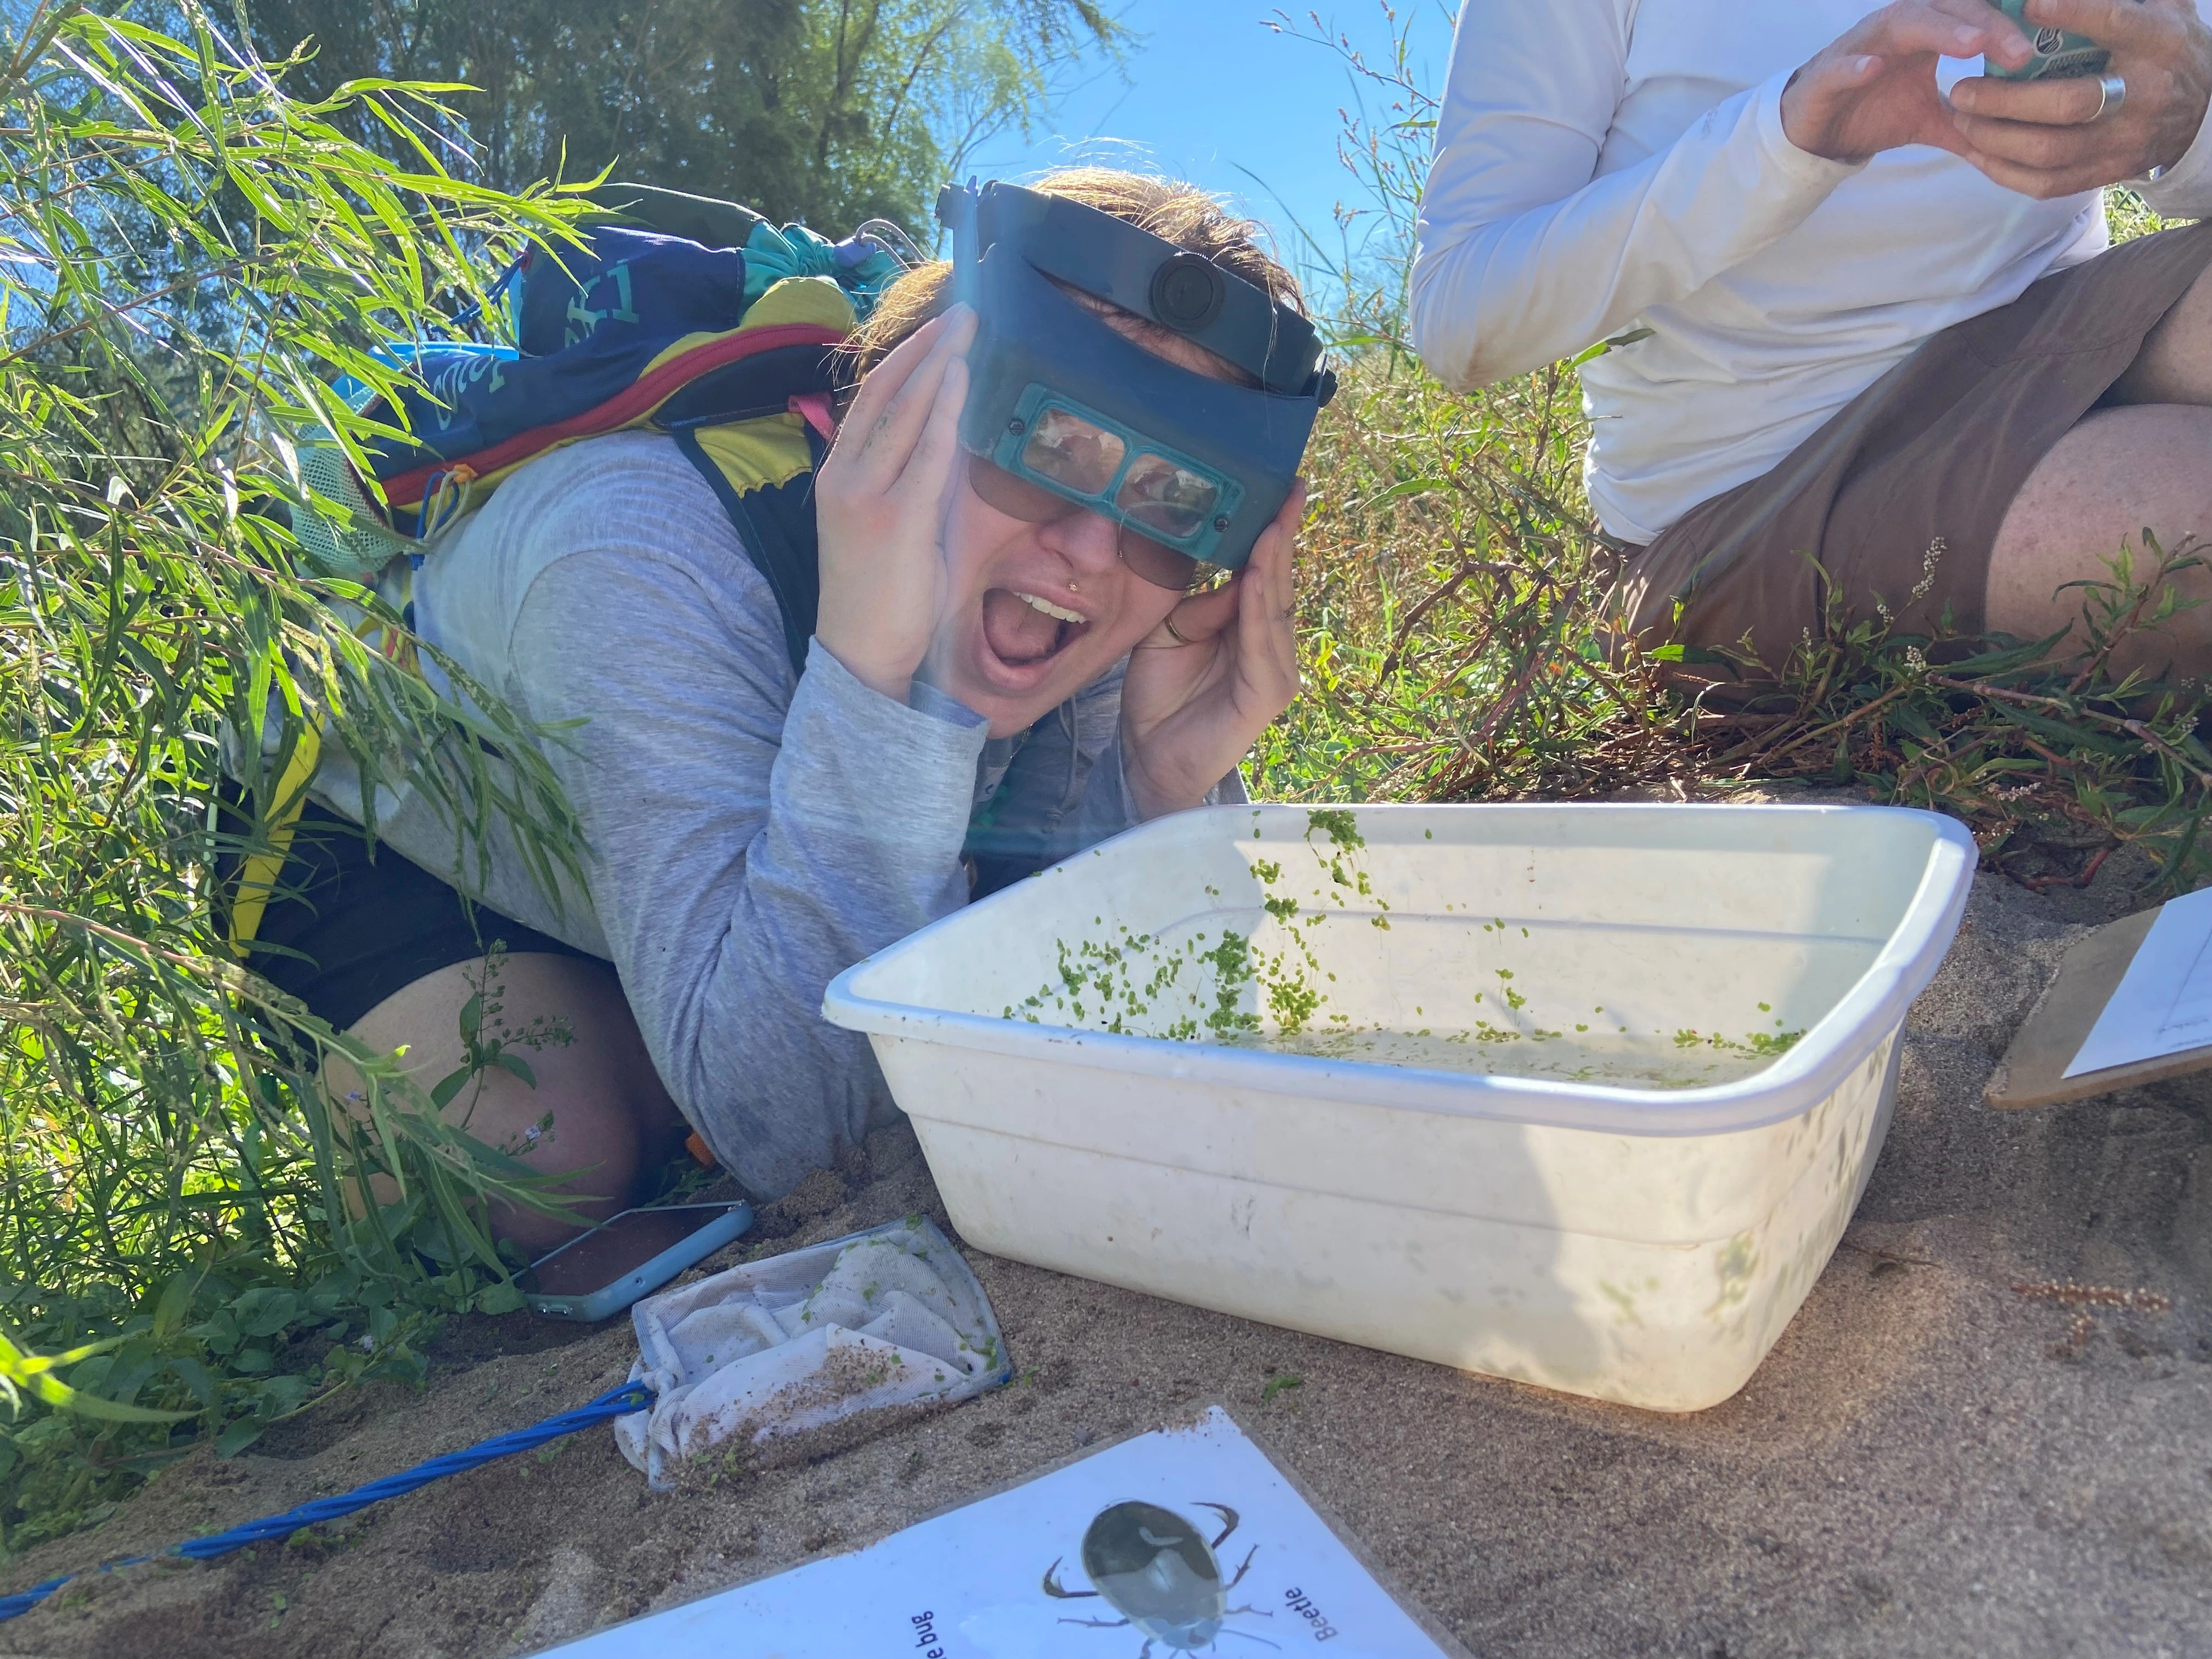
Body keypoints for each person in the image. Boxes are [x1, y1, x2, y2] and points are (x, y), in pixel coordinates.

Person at [247, 170, 1319, 1252]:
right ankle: (651, 1015)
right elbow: (793, 1135)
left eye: (1175, 499)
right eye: (1050, 442)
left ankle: (692, 991)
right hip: (404, 845)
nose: (1090, 549)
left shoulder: (1083, 591)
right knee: (539, 1168)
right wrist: (872, 674)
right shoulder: (637, 546)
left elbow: (1153, 1030)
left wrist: (1168, 798)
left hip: (666, 825)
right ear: (920, 405)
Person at [1411, 0, 2212, 679]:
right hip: (1759, 492)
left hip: (2062, 330)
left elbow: (2182, 104)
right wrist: (1785, 141)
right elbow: (1460, 314)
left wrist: (2187, 126)